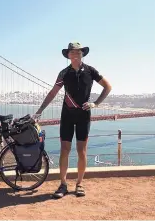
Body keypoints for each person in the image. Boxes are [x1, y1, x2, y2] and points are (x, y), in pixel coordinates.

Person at [33, 42, 112, 198]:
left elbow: (107, 86)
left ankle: (79, 184)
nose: (75, 54)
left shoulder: (90, 71)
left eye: (78, 52)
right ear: (68, 55)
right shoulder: (64, 73)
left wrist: (95, 104)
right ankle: (63, 185)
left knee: (81, 151)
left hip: (84, 116)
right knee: (65, 150)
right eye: (72, 52)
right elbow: (53, 93)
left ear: (82, 54)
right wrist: (40, 110)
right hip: (67, 115)